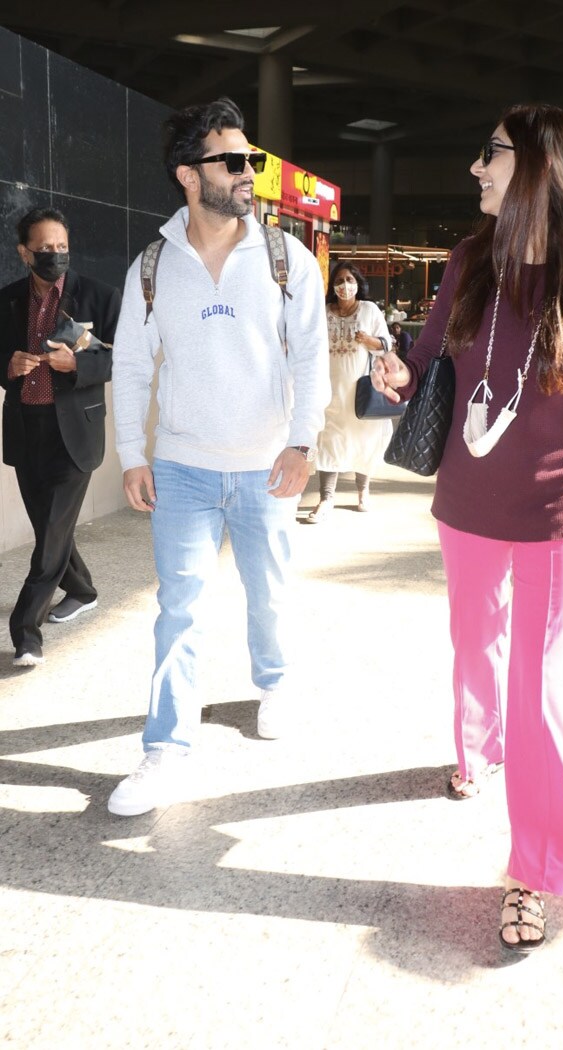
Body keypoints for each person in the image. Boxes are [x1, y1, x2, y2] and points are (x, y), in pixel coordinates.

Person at [371, 104, 563, 954]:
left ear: (538, 166)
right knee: (474, 641)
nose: (476, 168)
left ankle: (533, 869)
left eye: (491, 154)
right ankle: (476, 748)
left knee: (539, 692)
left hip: (557, 516)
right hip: (465, 503)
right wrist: (399, 373)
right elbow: (425, 362)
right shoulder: (469, 262)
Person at [108, 97, 330, 817]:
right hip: (181, 467)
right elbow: (134, 366)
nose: (248, 173)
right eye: (232, 160)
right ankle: (165, 750)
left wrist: (302, 442)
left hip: (266, 465)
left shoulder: (284, 256)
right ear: (187, 174)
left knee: (269, 596)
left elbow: (313, 359)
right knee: (180, 610)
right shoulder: (151, 266)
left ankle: (275, 683)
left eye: (252, 160)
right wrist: (131, 454)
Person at [0, 207, 120, 668]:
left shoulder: (99, 296)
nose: (55, 256)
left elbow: (124, 360)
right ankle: (83, 590)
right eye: (46, 249)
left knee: (50, 533)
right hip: (26, 427)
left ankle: (26, 633)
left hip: (76, 431)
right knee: (50, 527)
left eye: (62, 248)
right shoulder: (8, 300)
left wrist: (80, 365)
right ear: (24, 253)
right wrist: (8, 367)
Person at [308, 261, 393, 522]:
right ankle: (326, 498)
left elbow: (386, 344)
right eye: (340, 280)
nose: (345, 285)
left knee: (364, 440)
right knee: (327, 442)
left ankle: (363, 492)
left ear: (358, 283)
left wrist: (369, 341)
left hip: (360, 392)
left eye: (350, 280)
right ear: (333, 286)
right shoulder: (323, 312)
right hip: (329, 389)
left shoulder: (369, 310)